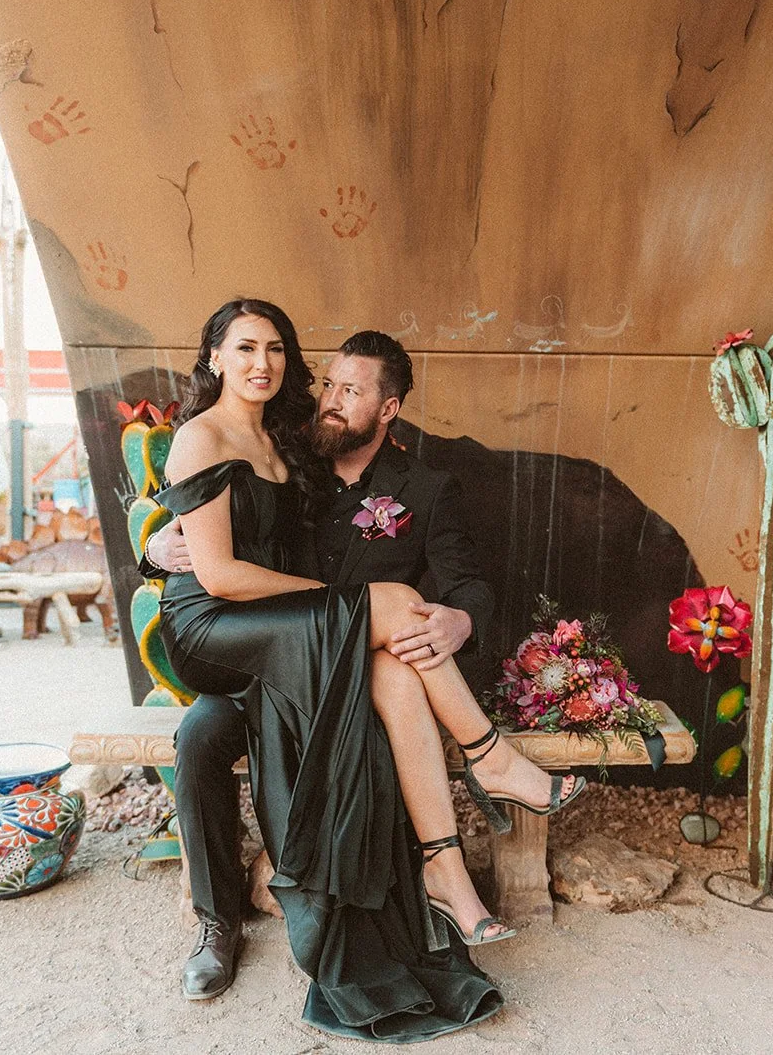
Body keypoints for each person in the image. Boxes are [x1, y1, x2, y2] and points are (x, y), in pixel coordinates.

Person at [150, 300, 585, 1042]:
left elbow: (469, 585)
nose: (328, 397)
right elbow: (204, 530)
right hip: (240, 644)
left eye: (350, 390)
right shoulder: (291, 446)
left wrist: (460, 619)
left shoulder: (392, 478)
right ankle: (216, 925)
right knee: (199, 736)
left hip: (328, 660)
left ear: (389, 409)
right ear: (215, 356)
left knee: (395, 659)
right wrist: (155, 548)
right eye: (329, 384)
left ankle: (443, 871)